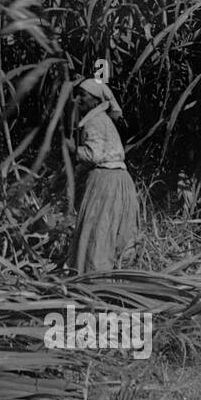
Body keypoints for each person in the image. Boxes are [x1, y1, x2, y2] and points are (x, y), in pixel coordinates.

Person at [64, 78, 140, 273]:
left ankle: (93, 277)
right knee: (113, 230)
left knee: (98, 229)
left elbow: (94, 155)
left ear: (96, 101)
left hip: (105, 182)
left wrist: (74, 149)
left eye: (83, 95)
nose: (78, 99)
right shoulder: (103, 120)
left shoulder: (94, 122)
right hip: (120, 180)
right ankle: (117, 278)